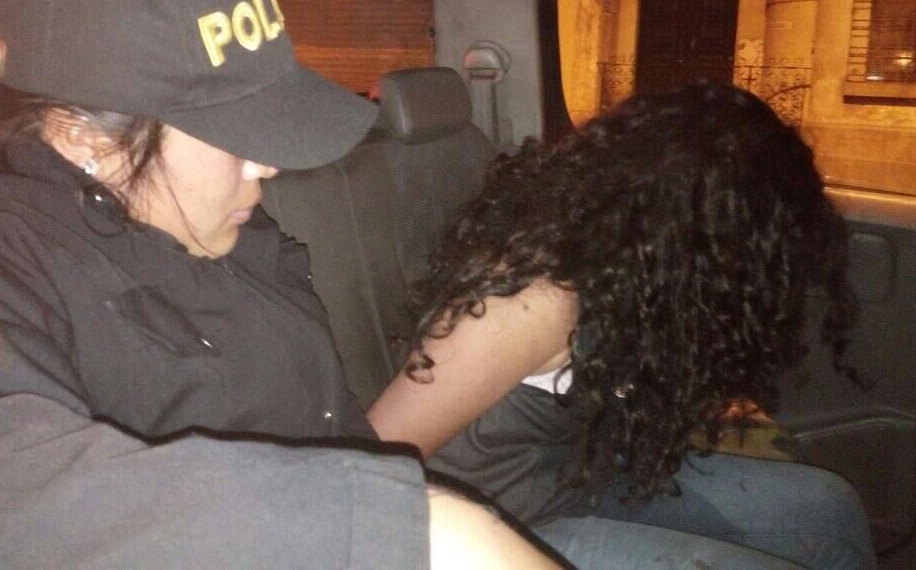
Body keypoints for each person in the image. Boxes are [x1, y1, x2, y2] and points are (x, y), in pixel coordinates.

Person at [0, 0, 562, 568]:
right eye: (234, 130)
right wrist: (394, 530)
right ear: (84, 135)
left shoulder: (220, 217)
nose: (267, 163)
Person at [369, 82, 875, 568]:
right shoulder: (532, 298)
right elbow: (372, 460)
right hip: (505, 520)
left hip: (579, 475)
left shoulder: (634, 273)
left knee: (829, 510)